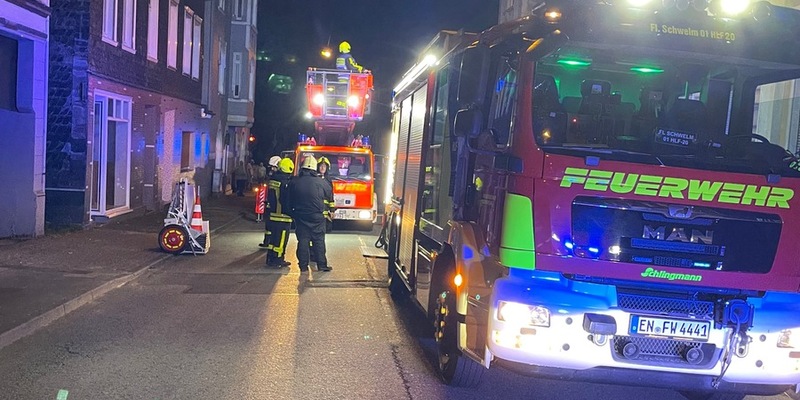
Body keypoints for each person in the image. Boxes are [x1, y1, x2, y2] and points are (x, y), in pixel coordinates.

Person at [288, 156, 332, 272]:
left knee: (303, 240)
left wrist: (292, 212)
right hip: (317, 217)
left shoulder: (294, 181)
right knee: (318, 241)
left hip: (300, 216)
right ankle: (322, 265)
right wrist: (331, 210)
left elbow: (289, 198)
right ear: (314, 168)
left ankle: (303, 266)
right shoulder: (321, 182)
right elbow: (329, 196)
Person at [265, 157, 294, 268]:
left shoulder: (273, 180)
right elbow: (285, 200)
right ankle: (278, 259)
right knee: (281, 240)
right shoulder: (285, 183)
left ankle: (270, 258)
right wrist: (292, 212)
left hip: (272, 215)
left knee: (273, 240)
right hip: (283, 216)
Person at [259, 156, 283, 248]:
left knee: (273, 225)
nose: (272, 169)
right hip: (270, 204)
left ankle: (270, 242)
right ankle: (266, 241)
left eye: (274, 167)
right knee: (268, 224)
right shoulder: (273, 175)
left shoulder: (279, 177)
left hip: (276, 206)